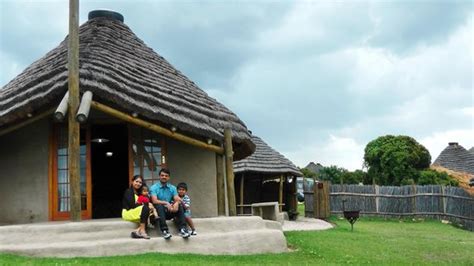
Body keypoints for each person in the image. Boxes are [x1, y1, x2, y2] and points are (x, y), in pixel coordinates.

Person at [150, 168, 190, 239]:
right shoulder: (154, 188)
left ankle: (183, 229)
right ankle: (165, 230)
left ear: (169, 177)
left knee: (179, 206)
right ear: (159, 176)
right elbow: (154, 201)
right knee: (159, 206)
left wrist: (177, 203)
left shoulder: (173, 188)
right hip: (158, 213)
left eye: (166, 176)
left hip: (170, 211)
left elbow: (177, 198)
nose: (164, 177)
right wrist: (166, 203)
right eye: (162, 175)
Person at [121, 175, 151, 239]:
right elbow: (132, 206)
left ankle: (137, 231)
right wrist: (144, 205)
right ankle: (142, 231)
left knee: (152, 213)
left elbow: (146, 201)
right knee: (146, 208)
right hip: (128, 212)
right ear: (132, 181)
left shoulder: (140, 193)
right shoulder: (128, 191)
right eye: (136, 181)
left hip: (138, 211)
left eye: (140, 182)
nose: (138, 184)